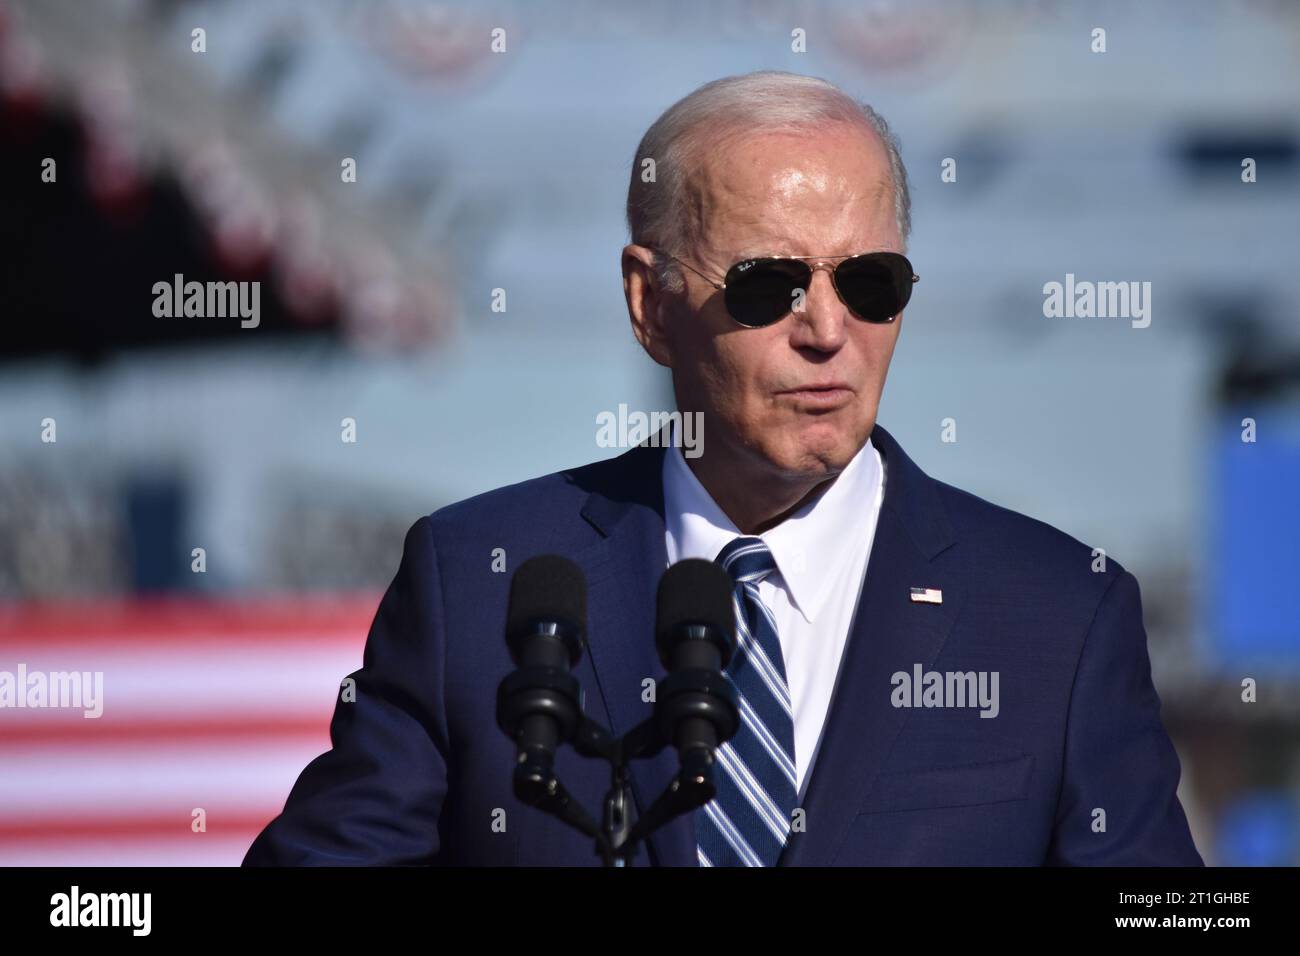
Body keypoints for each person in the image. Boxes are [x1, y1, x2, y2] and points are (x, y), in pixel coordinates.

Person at [244, 70, 1202, 866]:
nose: (828, 331)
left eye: (870, 283)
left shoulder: (1060, 617)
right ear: (649, 301)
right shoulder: (475, 583)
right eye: (768, 284)